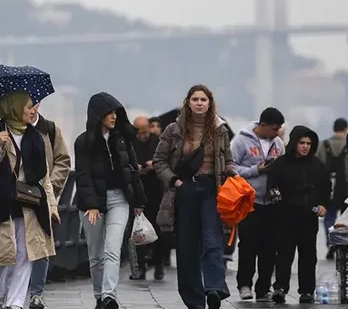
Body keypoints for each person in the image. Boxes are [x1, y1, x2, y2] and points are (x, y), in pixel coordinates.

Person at [153, 84, 237, 309]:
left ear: (210, 103)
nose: (199, 103)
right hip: (185, 189)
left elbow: (228, 159)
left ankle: (214, 289)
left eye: (203, 99)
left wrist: (233, 176)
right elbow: (159, 161)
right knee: (187, 245)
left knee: (212, 240)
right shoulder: (174, 129)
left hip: (212, 189)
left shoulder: (220, 129)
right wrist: (176, 182)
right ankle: (193, 299)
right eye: (195, 99)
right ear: (188, 102)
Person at [0, 91, 58, 309]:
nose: (34, 111)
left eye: (34, 106)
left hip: (31, 203)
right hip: (3, 203)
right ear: (14, 108)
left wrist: (52, 205)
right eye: (29, 107)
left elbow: (44, 177)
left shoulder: (36, 137)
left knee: (26, 254)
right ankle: (1, 292)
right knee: (7, 255)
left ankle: (15, 304)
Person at [74, 92, 147, 309]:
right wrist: (92, 205)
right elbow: (83, 175)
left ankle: (109, 296)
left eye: (115, 112)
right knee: (95, 254)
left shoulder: (121, 139)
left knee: (112, 249)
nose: (113, 117)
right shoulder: (83, 142)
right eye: (108, 113)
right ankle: (99, 296)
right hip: (93, 203)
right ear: (98, 115)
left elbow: (132, 170)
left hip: (119, 199)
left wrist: (138, 201)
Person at [266, 125, 331, 304]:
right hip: (285, 216)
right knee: (284, 255)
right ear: (294, 143)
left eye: (309, 143)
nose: (305, 146)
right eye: (302, 142)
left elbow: (326, 187)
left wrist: (324, 204)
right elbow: (272, 186)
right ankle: (280, 287)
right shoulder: (281, 164)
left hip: (308, 218)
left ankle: (307, 291)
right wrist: (279, 203)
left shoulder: (317, 165)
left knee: (308, 255)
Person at [230, 107, 286, 301]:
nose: (277, 132)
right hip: (249, 201)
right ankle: (244, 284)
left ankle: (263, 287)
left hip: (271, 201)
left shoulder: (278, 143)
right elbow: (232, 168)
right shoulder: (240, 141)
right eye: (273, 129)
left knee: (270, 248)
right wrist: (257, 170)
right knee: (248, 245)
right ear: (262, 125)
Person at [27, 103, 72, 309]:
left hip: (44, 197)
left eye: (34, 103)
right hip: (18, 196)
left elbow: (63, 160)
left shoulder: (50, 129)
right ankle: (15, 290)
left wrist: (51, 188)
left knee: (42, 243)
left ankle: (36, 293)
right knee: (18, 244)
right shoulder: (9, 130)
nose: (32, 108)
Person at [316, 117, 348, 259]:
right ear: (345, 129)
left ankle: (331, 242)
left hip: (328, 190)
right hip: (347, 191)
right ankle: (344, 244)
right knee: (345, 220)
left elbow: (315, 165)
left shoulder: (322, 145)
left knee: (329, 218)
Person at [131, 115, 167, 280]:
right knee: (135, 231)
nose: (143, 136)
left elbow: (165, 161)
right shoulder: (130, 142)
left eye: (145, 132)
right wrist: (136, 167)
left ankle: (158, 264)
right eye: (140, 133)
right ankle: (139, 267)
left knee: (157, 229)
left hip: (155, 190)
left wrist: (154, 165)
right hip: (137, 191)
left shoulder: (157, 141)